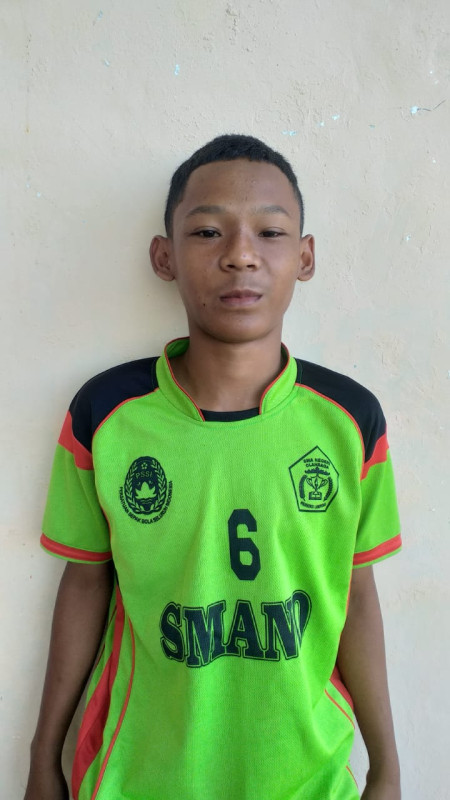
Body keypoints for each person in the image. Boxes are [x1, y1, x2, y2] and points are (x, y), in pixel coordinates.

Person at [25, 134, 402, 800]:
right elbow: (84, 583)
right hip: (141, 776)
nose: (240, 255)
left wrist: (387, 768)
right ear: (164, 256)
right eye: (207, 231)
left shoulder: (350, 420)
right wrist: (42, 757)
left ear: (305, 257)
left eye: (270, 232)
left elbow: (357, 592)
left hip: (308, 779)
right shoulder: (106, 415)